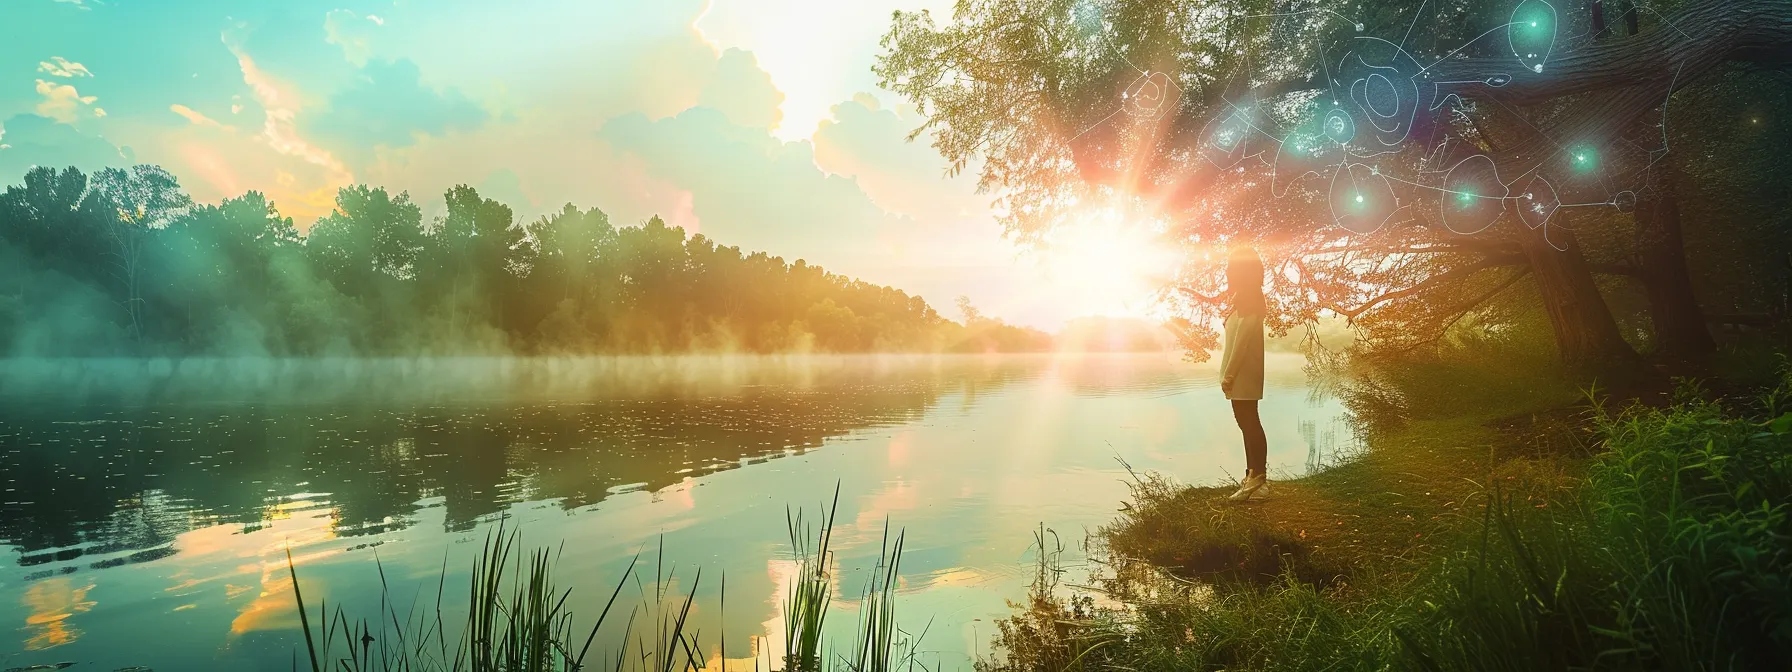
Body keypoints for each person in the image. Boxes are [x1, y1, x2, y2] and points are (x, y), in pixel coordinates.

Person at [1221, 245, 1268, 501]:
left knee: (1249, 424)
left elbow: (1242, 342)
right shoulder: (1242, 298)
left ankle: (1258, 480)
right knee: (1246, 423)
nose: (1227, 272)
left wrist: (1228, 376)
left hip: (1243, 374)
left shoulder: (1250, 300)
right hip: (1239, 375)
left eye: (1230, 268)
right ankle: (1253, 478)